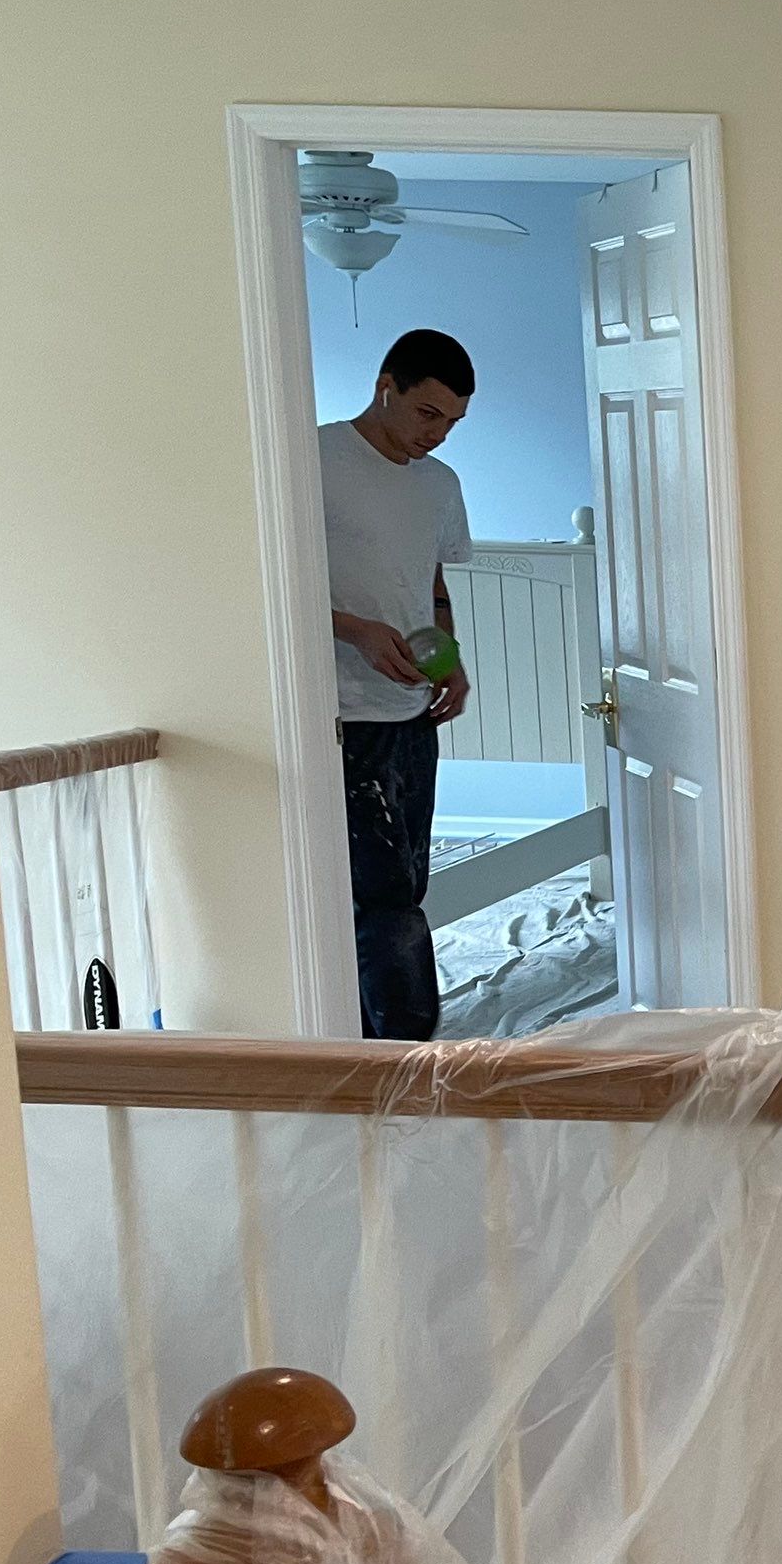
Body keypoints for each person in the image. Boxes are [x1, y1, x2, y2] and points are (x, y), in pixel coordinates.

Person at [326, 328, 475, 1039]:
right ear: (387, 385)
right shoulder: (313, 461)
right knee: (383, 897)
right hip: (339, 716)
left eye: (451, 422)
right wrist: (353, 628)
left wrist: (448, 660)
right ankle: (407, 1056)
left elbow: (428, 580)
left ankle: (380, 1046)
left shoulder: (439, 485)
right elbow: (266, 582)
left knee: (406, 884)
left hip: (410, 716)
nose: (437, 436)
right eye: (426, 414)